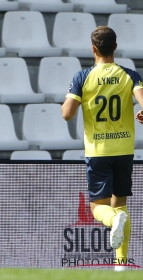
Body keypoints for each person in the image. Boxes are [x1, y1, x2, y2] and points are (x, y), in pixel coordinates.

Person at [62, 26, 143, 272]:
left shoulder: (82, 77)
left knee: (99, 207)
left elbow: (67, 114)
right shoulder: (130, 75)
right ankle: (120, 264)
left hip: (98, 150)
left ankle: (114, 221)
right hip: (124, 149)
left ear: (93, 48)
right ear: (115, 48)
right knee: (121, 204)